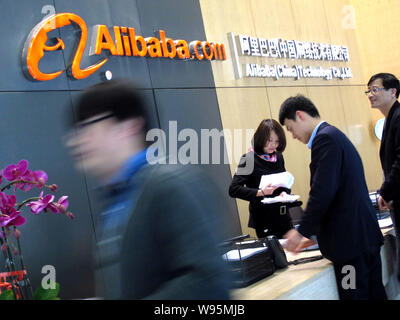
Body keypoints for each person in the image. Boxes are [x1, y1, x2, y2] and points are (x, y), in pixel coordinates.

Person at [64, 79, 230, 299]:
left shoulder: (172, 183)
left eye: (86, 126)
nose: (75, 141)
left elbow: (207, 283)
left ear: (128, 127)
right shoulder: (119, 196)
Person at [279, 94, 387, 300]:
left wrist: (301, 232)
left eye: (290, 128)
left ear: (300, 115)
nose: (292, 136)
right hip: (362, 239)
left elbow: (322, 191)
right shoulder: (333, 135)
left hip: (349, 246)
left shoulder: (325, 139)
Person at [229, 119, 293, 239]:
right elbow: (233, 189)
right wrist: (261, 192)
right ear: (260, 138)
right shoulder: (248, 159)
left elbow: (284, 182)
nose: (273, 145)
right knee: (275, 255)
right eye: (269, 140)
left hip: (283, 215)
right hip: (264, 218)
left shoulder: (278, 157)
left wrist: (285, 193)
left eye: (277, 141)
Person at [367, 73, 400, 281]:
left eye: (375, 89)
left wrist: (386, 191)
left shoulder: (398, 117)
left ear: (393, 91)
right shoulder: (390, 119)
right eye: (368, 90)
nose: (370, 94)